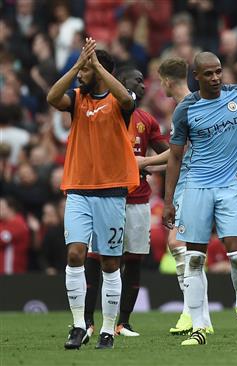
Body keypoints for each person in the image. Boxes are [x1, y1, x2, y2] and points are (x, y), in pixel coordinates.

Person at [162, 52, 237, 346]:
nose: (216, 78)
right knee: (194, 257)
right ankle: (200, 326)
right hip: (196, 188)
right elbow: (176, 157)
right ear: (197, 77)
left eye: (219, 72)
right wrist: (168, 201)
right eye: (209, 74)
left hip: (231, 186)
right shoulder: (186, 110)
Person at [47, 38, 139, 350]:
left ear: (100, 71)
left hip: (112, 191)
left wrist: (96, 65)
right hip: (78, 188)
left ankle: (109, 329)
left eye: (84, 71)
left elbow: (127, 99)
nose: (80, 76)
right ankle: (77, 325)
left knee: (110, 263)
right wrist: (76, 64)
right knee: (75, 254)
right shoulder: (76, 99)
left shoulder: (117, 102)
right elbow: (51, 96)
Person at [82, 67, 169, 338]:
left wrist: (147, 164)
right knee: (97, 259)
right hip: (105, 197)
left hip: (137, 200)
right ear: (120, 83)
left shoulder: (147, 120)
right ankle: (87, 321)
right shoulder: (101, 113)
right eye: (138, 81)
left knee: (132, 260)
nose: (144, 86)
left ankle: (124, 323)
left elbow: (170, 155)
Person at [138, 57, 214, 336]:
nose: (160, 87)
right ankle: (197, 314)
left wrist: (143, 163)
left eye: (160, 81)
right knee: (186, 248)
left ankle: (193, 313)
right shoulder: (191, 102)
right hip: (189, 181)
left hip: (195, 183)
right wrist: (150, 166)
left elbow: (177, 152)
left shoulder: (187, 106)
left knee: (178, 243)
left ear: (167, 81)